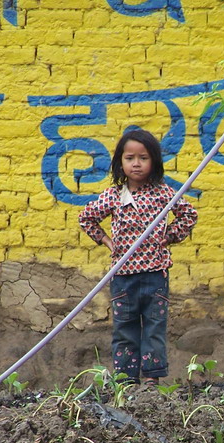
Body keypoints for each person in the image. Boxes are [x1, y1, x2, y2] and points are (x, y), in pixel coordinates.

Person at [79, 129, 197, 386]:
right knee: (125, 329)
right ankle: (126, 380)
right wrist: (107, 241)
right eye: (130, 157)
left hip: (156, 274)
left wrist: (170, 236)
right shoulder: (114, 195)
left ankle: (152, 379)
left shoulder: (163, 193)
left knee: (154, 328)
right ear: (120, 161)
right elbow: (86, 218)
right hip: (122, 276)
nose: (136, 163)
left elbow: (189, 215)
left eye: (143, 157)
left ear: (153, 161)